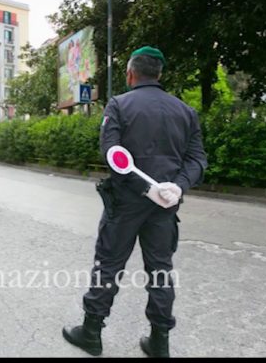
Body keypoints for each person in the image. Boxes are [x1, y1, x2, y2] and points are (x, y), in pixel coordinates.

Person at [62, 46, 208, 357]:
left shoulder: (119, 105)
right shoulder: (186, 111)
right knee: (160, 271)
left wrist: (145, 188)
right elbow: (197, 160)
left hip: (126, 203)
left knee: (109, 265)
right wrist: (177, 187)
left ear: (130, 74)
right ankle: (159, 342)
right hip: (165, 207)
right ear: (160, 74)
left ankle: (91, 333)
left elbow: (112, 155)